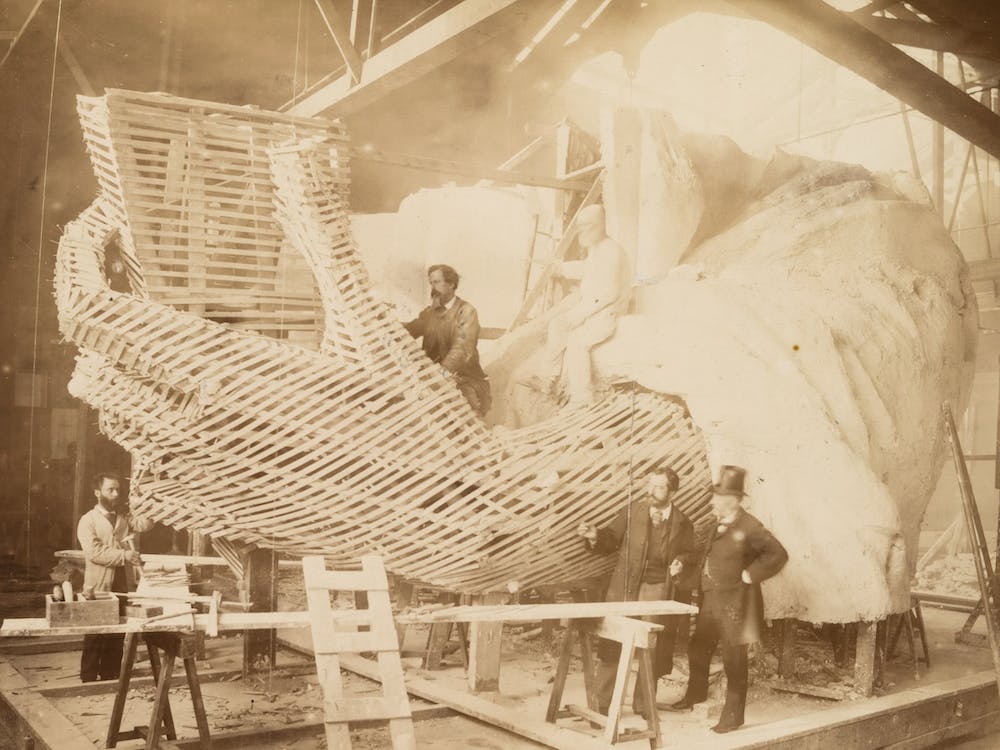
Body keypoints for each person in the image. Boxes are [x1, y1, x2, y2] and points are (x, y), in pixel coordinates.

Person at [669, 465, 788, 733]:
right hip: (712, 600)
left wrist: (751, 575)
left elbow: (778, 554)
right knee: (698, 646)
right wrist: (682, 567)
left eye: (717, 498)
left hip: (738, 606)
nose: (712, 502)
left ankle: (733, 717)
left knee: (734, 660)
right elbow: (705, 557)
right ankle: (696, 694)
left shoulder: (750, 526)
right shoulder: (717, 525)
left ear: (731, 501)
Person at [577, 464, 699, 716]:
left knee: (650, 647)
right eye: (650, 484)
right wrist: (594, 535)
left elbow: (690, 553)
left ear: (672, 491)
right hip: (625, 587)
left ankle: (644, 705)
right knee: (613, 641)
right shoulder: (633, 512)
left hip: (658, 590)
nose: (651, 490)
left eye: (659, 486)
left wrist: (681, 562)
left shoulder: (683, 523)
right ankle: (601, 705)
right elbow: (610, 538)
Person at [540, 204, 630, 406]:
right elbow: (587, 270)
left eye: (585, 227)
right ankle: (549, 378)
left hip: (608, 311)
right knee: (557, 324)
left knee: (577, 342)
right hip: (593, 308)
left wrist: (581, 315)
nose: (581, 231)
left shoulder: (612, 251)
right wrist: (561, 268)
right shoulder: (596, 249)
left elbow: (610, 293)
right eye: (580, 227)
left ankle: (581, 398)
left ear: (600, 226)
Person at [77, 472, 151, 682]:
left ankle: (111, 674)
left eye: (118, 489)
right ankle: (89, 677)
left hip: (122, 581)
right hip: (98, 584)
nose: (116, 493)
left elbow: (145, 525)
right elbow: (94, 552)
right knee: (96, 631)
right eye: (110, 489)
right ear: (97, 492)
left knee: (118, 629)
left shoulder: (124, 517)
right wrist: (124, 555)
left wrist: (146, 504)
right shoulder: (87, 520)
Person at [404, 264, 491, 415]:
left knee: (462, 415)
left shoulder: (466, 311)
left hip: (464, 378)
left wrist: (442, 373)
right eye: (431, 283)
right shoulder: (429, 313)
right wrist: (383, 319)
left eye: (437, 282)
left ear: (451, 284)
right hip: (433, 378)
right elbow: (409, 331)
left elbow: (462, 347)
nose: (432, 287)